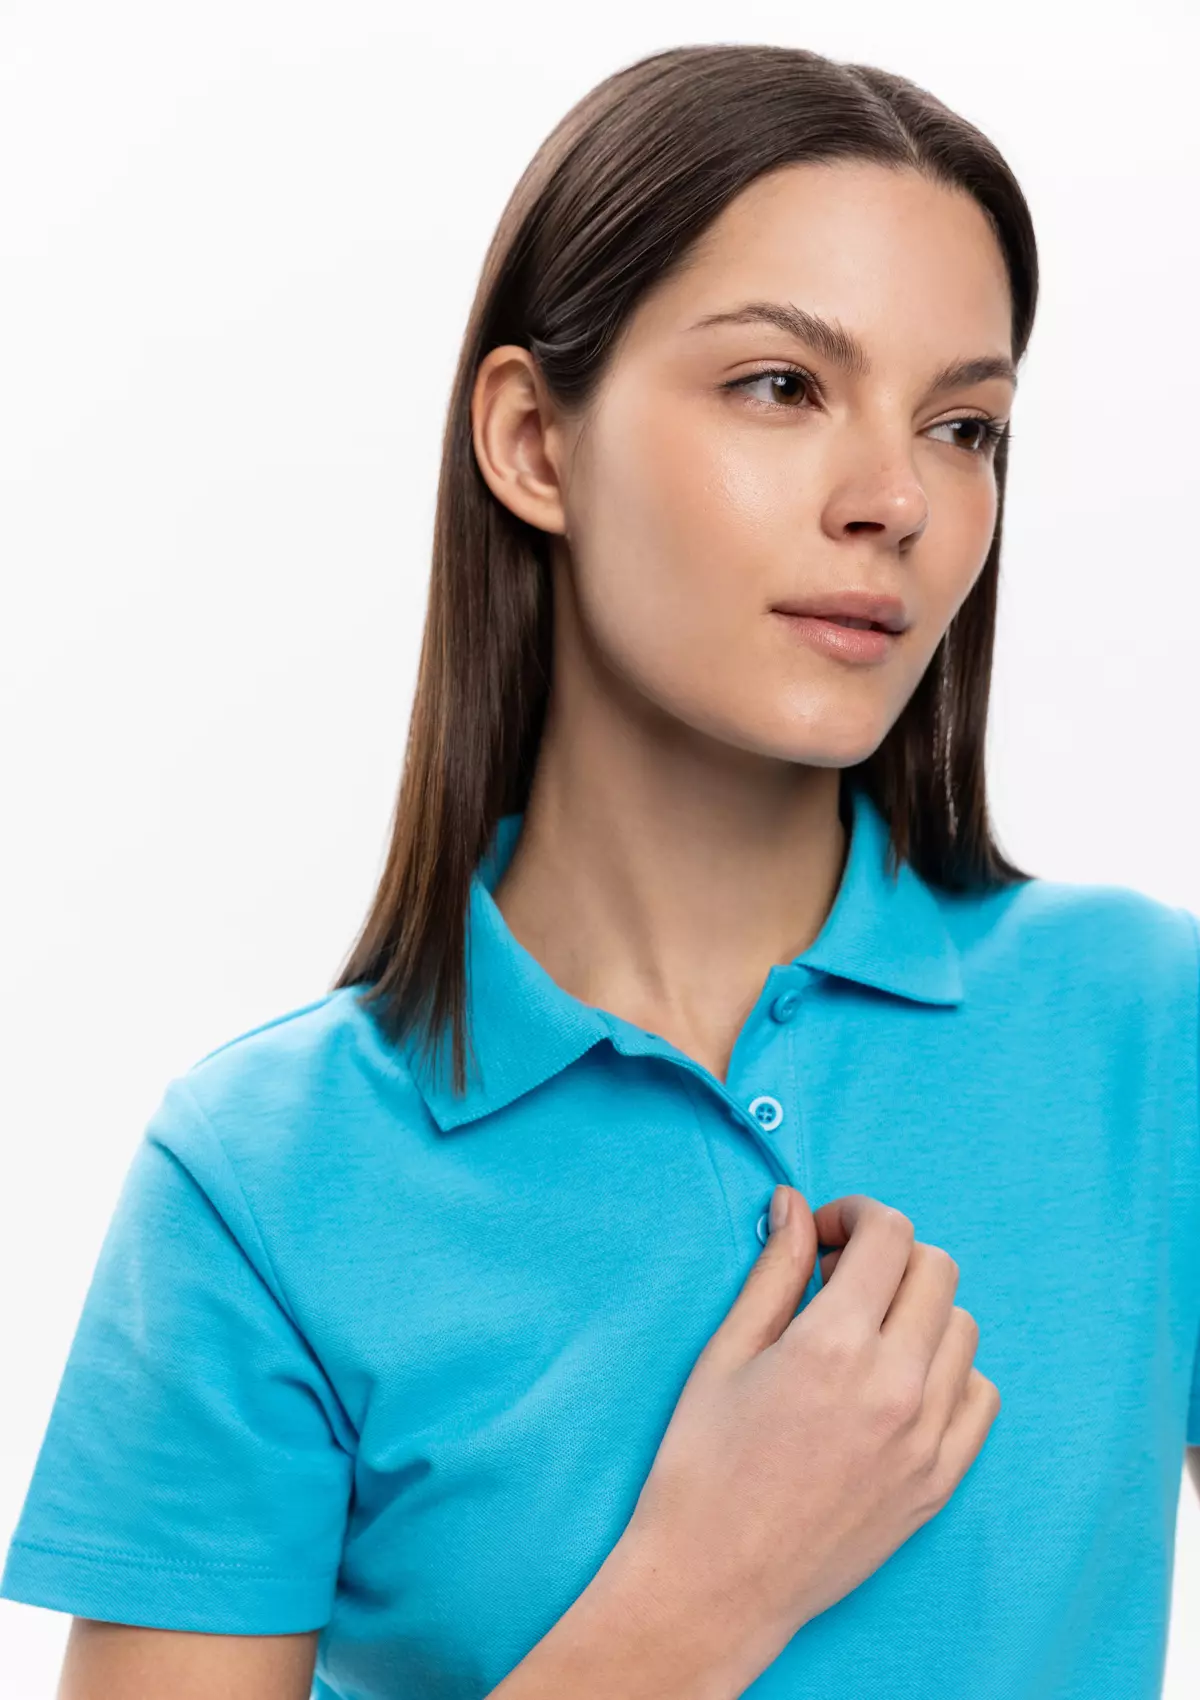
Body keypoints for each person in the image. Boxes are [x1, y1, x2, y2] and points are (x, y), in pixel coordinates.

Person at [3, 40, 1198, 1700]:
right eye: (780, 386)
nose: (896, 500)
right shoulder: (261, 1178)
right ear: (533, 442)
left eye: (963, 426)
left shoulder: (1148, 1037)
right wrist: (701, 1594)